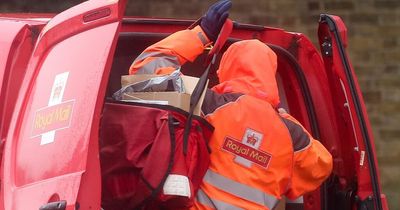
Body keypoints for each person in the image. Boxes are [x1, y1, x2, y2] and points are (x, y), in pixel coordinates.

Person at [129, 0, 333, 209]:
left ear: (225, 71)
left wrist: (201, 34)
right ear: (269, 74)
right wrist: (278, 114)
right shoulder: (291, 134)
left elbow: (144, 75)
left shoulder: (206, 103)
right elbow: (321, 165)